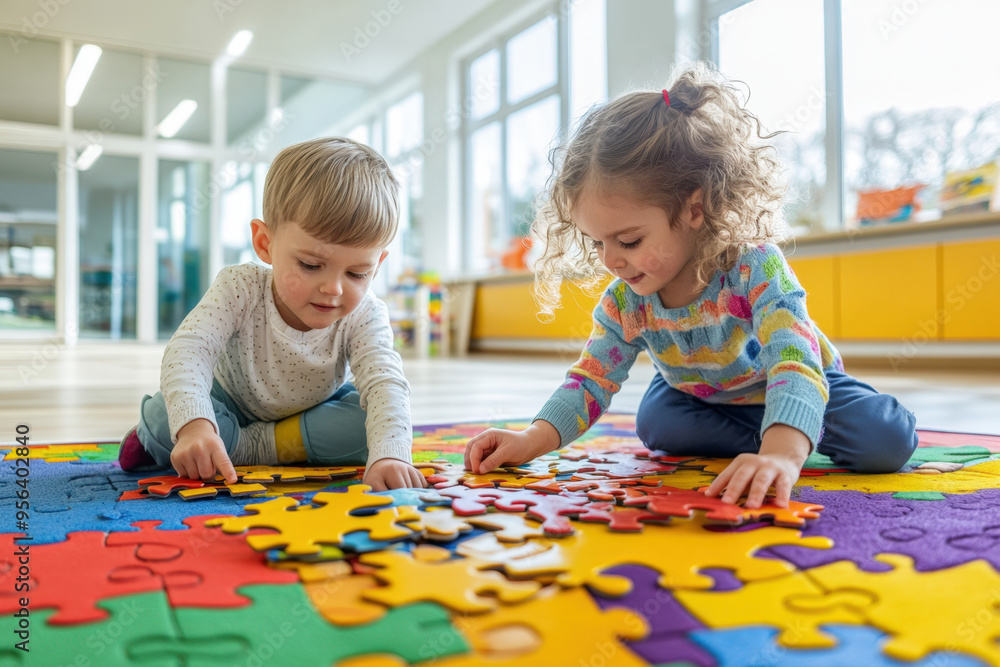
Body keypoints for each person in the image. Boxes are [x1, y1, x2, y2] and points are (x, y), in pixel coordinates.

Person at [464, 62, 917, 508]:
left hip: (797, 378)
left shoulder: (753, 266)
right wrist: (531, 439)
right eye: (596, 242)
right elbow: (590, 380)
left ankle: (792, 427)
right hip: (703, 396)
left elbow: (793, 361)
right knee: (659, 423)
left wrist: (781, 454)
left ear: (693, 210)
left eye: (628, 240)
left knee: (885, 442)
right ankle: (779, 430)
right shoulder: (625, 301)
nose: (610, 260)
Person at [119, 137, 426, 491]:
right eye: (311, 265)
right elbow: (190, 349)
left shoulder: (367, 312)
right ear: (265, 244)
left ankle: (247, 447)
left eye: (357, 274)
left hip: (311, 415)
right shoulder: (240, 286)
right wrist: (196, 427)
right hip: (228, 404)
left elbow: (385, 382)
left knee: (367, 424)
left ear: (378, 264)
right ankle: (181, 437)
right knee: (163, 417)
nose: (334, 289)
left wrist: (392, 456)